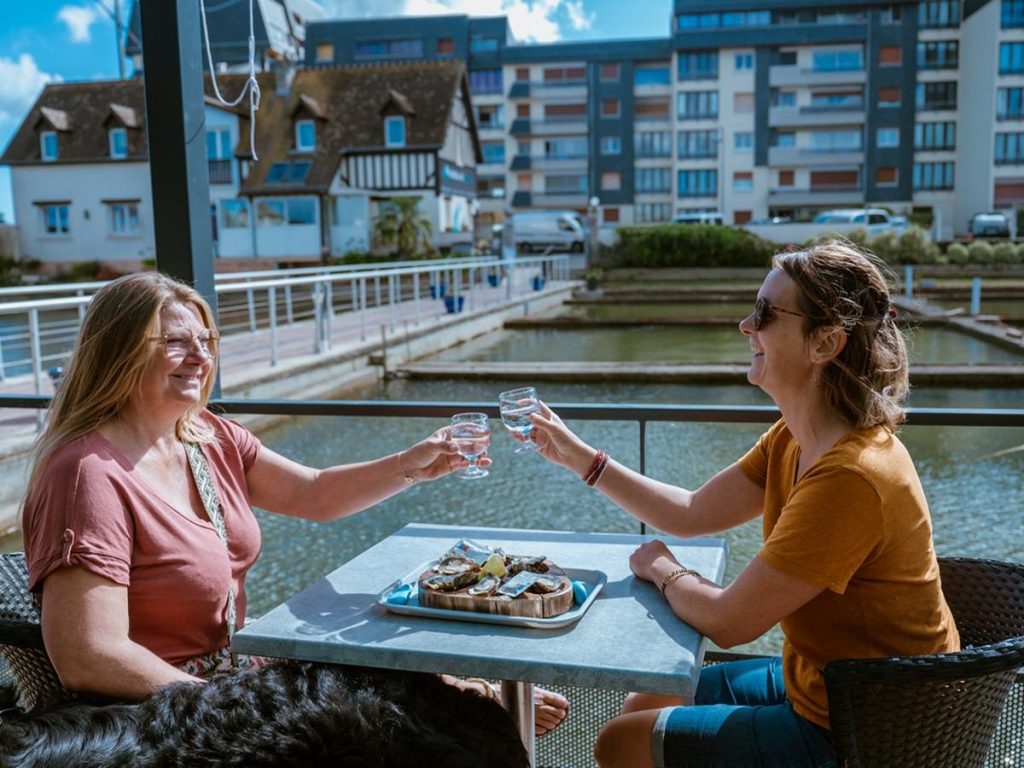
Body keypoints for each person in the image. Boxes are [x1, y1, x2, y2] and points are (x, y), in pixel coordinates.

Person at [21, 272, 567, 736]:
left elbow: (314, 492)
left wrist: (411, 465)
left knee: (423, 688)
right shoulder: (87, 475)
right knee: (404, 722)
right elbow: (88, 655)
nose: (199, 356)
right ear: (118, 351)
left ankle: (479, 695)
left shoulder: (206, 437)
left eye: (206, 340)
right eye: (174, 342)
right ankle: (481, 704)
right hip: (168, 705)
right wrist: (236, 703)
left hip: (228, 666)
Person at [525, 242, 960, 767]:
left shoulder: (851, 475)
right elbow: (689, 512)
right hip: (822, 683)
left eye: (764, 314)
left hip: (868, 731)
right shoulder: (794, 438)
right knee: (645, 702)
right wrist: (580, 458)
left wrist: (661, 568)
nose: (744, 326)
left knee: (617, 744)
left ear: (825, 343)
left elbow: (731, 622)